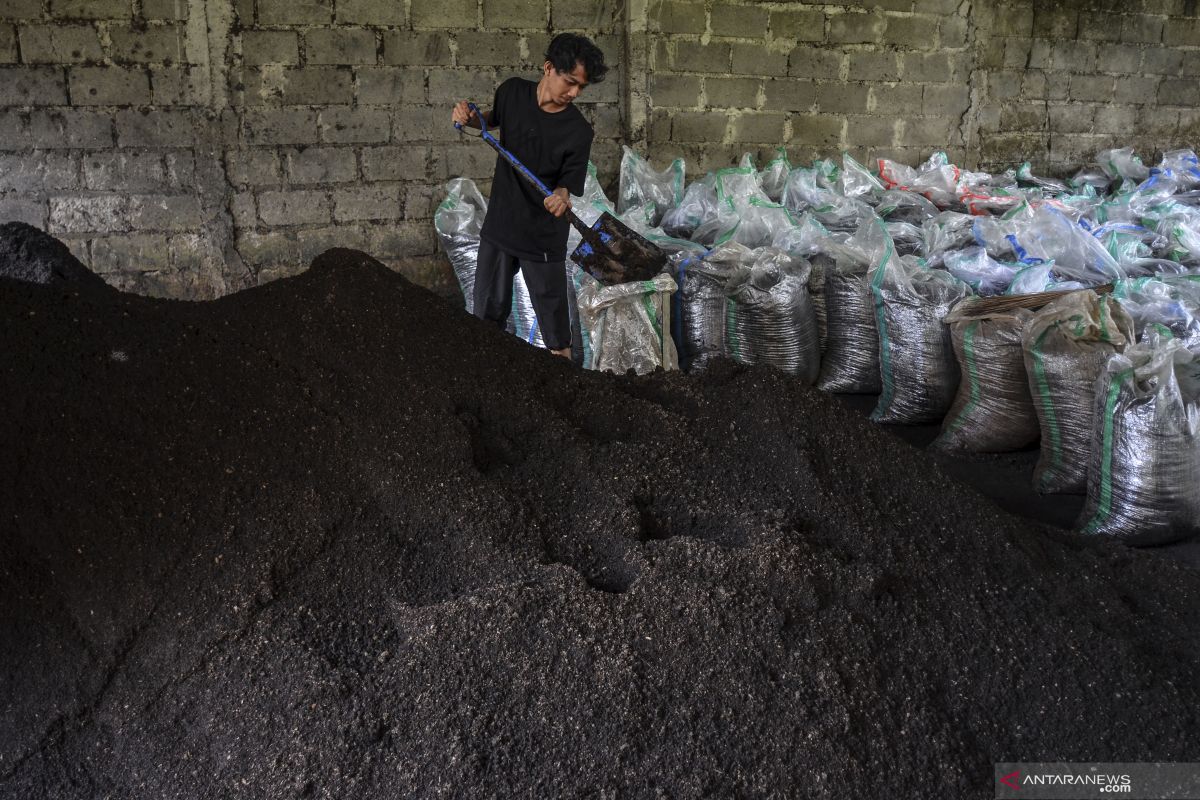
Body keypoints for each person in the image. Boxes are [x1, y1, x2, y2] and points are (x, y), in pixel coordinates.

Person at [451, 33, 608, 359]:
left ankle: (564, 392)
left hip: (543, 238)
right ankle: (486, 378)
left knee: (555, 331)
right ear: (548, 67)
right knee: (486, 316)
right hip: (501, 226)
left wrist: (561, 197)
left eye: (581, 87)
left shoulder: (578, 132)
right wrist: (468, 116)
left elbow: (566, 186)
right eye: (570, 82)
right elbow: (490, 121)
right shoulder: (512, 92)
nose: (575, 93)